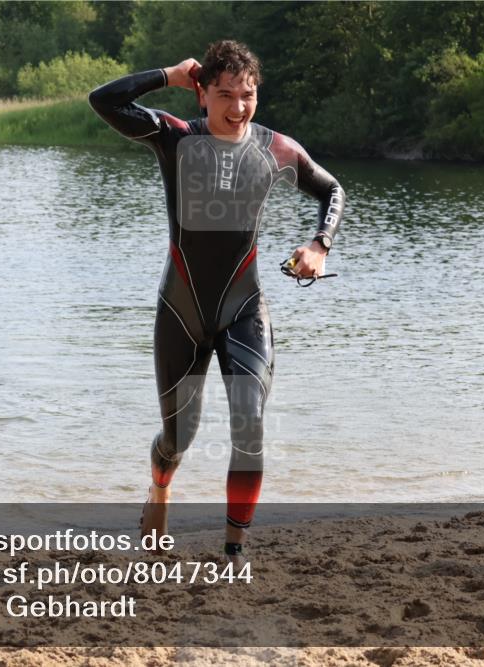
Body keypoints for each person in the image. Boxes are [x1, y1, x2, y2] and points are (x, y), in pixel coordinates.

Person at [88, 40, 344, 561]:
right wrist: (168, 74)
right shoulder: (175, 138)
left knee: (250, 425)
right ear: (201, 94)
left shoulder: (277, 150)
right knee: (177, 437)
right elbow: (104, 100)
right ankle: (160, 489)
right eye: (224, 94)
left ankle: (233, 551)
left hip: (244, 309)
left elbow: (332, 191)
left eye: (247, 95)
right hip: (180, 310)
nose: (238, 107)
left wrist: (319, 245)